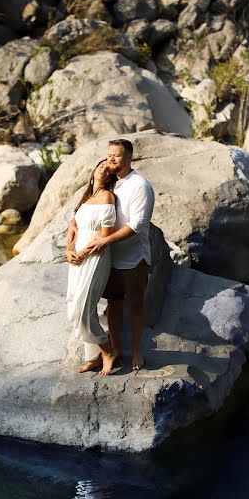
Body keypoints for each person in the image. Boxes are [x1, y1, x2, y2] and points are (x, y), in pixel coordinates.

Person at [85, 139, 155, 372]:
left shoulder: (140, 185)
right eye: (108, 155)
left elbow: (137, 224)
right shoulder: (110, 184)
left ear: (129, 158)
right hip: (110, 257)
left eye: (116, 155)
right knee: (113, 303)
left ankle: (136, 350)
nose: (111, 159)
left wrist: (105, 240)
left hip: (134, 257)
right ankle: (114, 349)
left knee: (135, 304)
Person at [65, 160, 120, 375]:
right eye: (101, 165)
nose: (104, 168)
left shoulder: (107, 197)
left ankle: (108, 351)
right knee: (75, 306)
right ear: (93, 170)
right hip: (77, 255)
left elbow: (104, 236)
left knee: (82, 311)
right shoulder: (87, 198)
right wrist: (69, 249)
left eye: (108, 168)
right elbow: (75, 229)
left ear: (110, 176)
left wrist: (81, 253)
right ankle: (94, 356)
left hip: (95, 256)